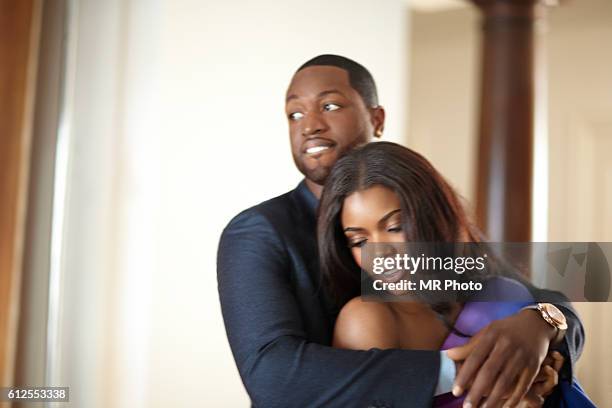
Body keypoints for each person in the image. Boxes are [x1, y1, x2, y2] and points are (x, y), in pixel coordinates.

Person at [217, 55, 585, 407]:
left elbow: (546, 296)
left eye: (329, 106)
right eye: (294, 114)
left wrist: (542, 325)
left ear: (376, 119)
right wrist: (469, 375)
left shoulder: (430, 225)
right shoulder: (258, 232)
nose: (309, 125)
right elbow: (273, 376)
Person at [318, 141, 595, 407]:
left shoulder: (482, 282)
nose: (379, 254)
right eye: (359, 241)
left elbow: (556, 310)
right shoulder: (366, 320)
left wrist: (542, 327)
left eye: (395, 227)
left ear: (433, 214)